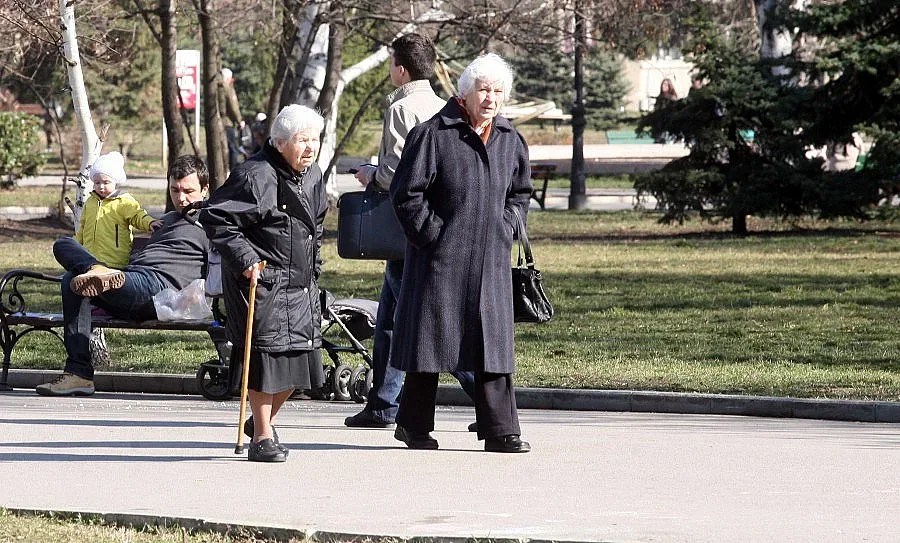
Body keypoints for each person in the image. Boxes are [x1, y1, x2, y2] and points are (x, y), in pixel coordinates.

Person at [388, 53, 533, 453]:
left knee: (493, 345)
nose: (491, 98)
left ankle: (501, 429)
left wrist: (507, 226)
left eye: (498, 91)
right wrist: (433, 235)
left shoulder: (509, 138)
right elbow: (406, 195)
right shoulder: (433, 134)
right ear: (464, 92)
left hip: (491, 260)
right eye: (484, 89)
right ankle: (413, 425)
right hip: (438, 260)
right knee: (428, 345)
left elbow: (520, 194)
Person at [344, 33, 478, 430]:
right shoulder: (442, 105)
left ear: (401, 69)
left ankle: (488, 394)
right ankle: (382, 403)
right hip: (430, 224)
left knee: (427, 319)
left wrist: (370, 174)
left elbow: (397, 172)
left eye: (391, 64)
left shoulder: (403, 107)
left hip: (407, 226)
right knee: (388, 318)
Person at [200, 104, 328, 463]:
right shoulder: (255, 176)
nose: (310, 147)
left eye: (314, 140)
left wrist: (314, 264)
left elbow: (316, 223)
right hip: (263, 282)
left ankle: (262, 423)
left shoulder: (313, 174)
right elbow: (216, 217)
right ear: (281, 142)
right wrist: (246, 260)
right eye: (302, 140)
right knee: (264, 362)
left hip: (300, 284)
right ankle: (261, 437)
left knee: (299, 365)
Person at [36, 155, 211, 397]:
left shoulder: (213, 224)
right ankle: (80, 374)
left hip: (159, 292)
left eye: (188, 191)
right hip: (131, 282)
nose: (180, 198)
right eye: (174, 190)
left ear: (205, 189)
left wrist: (201, 294)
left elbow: (224, 268)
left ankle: (96, 271)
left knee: (77, 275)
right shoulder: (167, 220)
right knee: (64, 253)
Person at [76, 151, 162, 270]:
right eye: (97, 182)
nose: (101, 186)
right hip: (89, 258)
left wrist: (149, 222)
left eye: (106, 182)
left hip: (114, 260)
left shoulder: (123, 201)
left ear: (115, 181)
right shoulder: (90, 202)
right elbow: (83, 228)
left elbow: (137, 215)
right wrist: (76, 245)